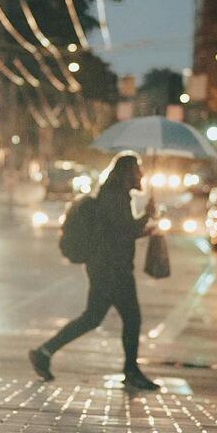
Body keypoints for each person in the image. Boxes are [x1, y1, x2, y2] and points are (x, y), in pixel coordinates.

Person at [30, 151, 159, 391]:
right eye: (138, 170)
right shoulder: (114, 196)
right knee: (131, 318)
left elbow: (118, 232)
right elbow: (124, 230)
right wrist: (145, 217)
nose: (141, 175)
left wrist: (144, 227)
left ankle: (44, 352)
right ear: (128, 173)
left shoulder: (116, 196)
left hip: (107, 267)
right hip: (112, 269)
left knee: (92, 317)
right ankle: (131, 370)